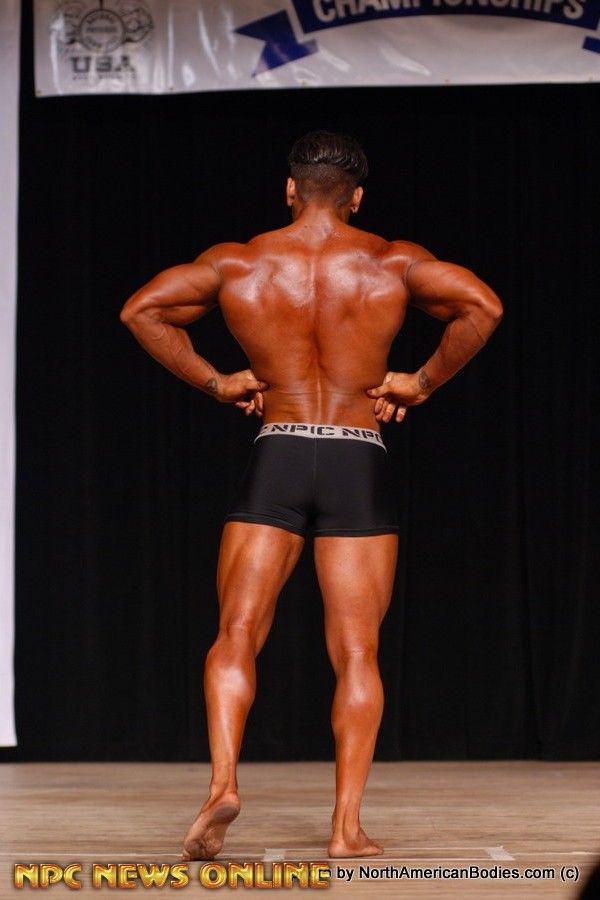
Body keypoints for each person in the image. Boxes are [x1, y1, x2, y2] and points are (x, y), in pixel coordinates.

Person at [120, 131, 503, 861]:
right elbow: (482, 307)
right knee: (357, 651)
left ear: (290, 189)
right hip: (358, 456)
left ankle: (223, 784)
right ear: (357, 197)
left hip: (280, 451)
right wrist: (421, 382)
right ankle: (345, 828)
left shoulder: (238, 263)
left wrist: (218, 381)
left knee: (237, 630)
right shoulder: (393, 262)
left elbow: (141, 311)